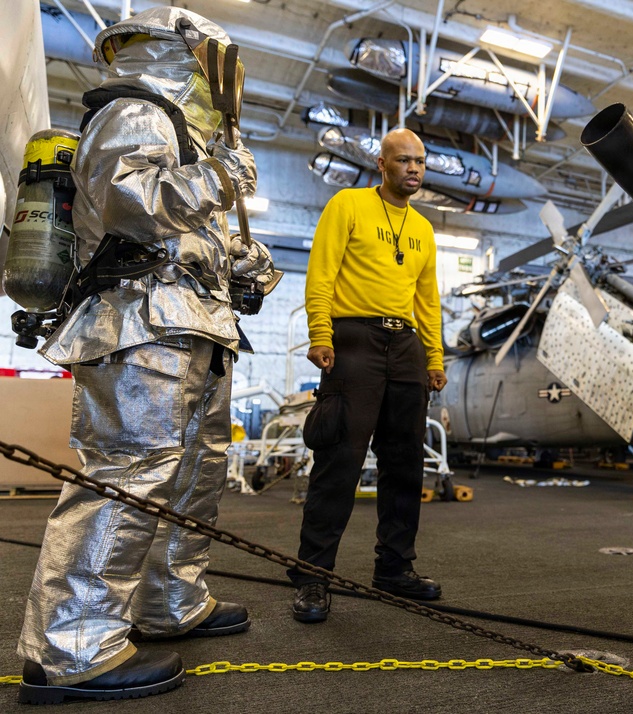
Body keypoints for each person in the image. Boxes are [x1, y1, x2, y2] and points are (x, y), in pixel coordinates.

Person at [15, 7, 273, 705]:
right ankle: (72, 647)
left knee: (192, 476)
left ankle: (169, 603)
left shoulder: (181, 134)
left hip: (191, 328)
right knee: (127, 477)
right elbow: (132, 205)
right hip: (140, 326)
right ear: (181, 57)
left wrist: (240, 260)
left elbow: (180, 233)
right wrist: (221, 179)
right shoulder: (136, 110)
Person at [290, 127, 446, 623]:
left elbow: (428, 299)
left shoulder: (423, 229)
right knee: (340, 460)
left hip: (406, 348)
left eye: (420, 161)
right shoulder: (348, 205)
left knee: (404, 467)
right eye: (403, 161)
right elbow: (322, 272)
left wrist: (435, 357)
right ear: (382, 164)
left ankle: (395, 569)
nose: (414, 169)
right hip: (354, 339)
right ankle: (314, 576)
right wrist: (321, 333)